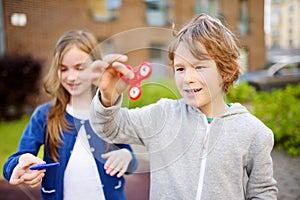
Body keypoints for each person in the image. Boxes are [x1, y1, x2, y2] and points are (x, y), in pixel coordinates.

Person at [89, 13, 278, 199]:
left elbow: (263, 193)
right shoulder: (161, 116)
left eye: (199, 67)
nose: (187, 78)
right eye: (180, 69)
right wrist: (107, 97)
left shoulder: (254, 132)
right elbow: (109, 129)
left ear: (227, 71)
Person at [3, 30, 138, 200]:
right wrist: (19, 164)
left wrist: (126, 156)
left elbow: (132, 162)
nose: (72, 77)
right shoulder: (44, 116)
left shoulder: (110, 112)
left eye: (80, 68)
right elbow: (11, 163)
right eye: (63, 69)